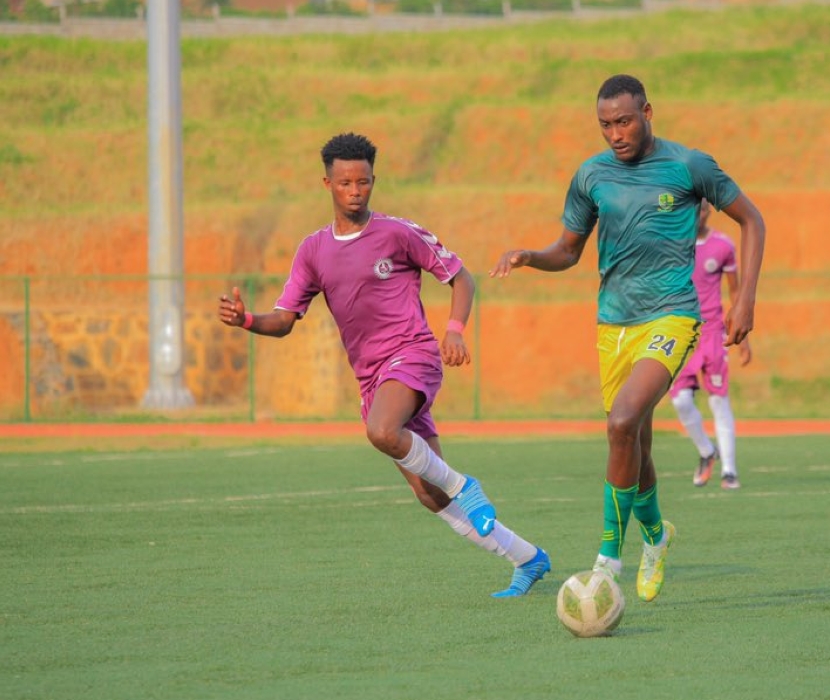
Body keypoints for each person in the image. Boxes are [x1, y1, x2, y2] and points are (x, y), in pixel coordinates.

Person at [217, 132, 550, 598]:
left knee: (382, 432)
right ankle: (527, 558)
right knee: (430, 495)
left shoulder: (397, 233)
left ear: (374, 181)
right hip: (373, 378)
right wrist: (247, 320)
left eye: (364, 182)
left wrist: (453, 329)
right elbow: (285, 320)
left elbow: (461, 278)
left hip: (412, 356)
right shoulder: (312, 250)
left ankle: (468, 486)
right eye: (345, 183)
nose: (355, 191)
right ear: (327, 184)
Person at [489, 75, 765, 603]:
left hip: (673, 318)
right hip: (612, 324)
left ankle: (607, 562)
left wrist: (745, 298)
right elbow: (569, 250)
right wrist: (530, 256)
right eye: (605, 125)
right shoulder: (591, 175)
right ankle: (657, 538)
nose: (615, 133)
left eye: (624, 121)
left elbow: (752, 220)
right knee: (633, 440)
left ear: (647, 112)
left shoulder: (689, 166)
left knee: (621, 422)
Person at [669, 198, 752, 490]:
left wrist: (743, 338)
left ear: (708, 211)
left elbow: (735, 292)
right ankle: (707, 451)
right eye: (693, 209)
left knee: (718, 399)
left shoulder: (723, 245)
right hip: (681, 333)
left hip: (714, 333)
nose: (698, 214)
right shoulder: (673, 244)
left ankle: (729, 470)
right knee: (679, 400)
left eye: (703, 208)